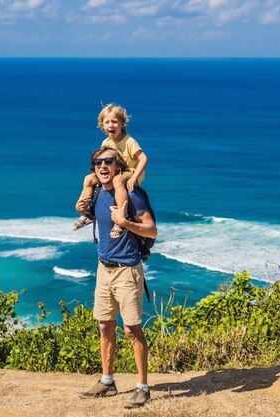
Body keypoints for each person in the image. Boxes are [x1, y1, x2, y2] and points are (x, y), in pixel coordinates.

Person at [79, 146, 157, 409]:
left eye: (108, 161)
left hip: (127, 270)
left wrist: (126, 224)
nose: (102, 166)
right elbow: (87, 211)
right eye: (97, 162)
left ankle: (143, 388)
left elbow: (152, 230)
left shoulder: (131, 195)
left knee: (132, 329)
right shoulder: (99, 192)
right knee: (105, 326)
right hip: (104, 268)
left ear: (117, 166)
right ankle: (107, 381)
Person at [74, 103, 149, 239]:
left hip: (131, 172)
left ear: (122, 124)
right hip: (116, 170)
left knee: (117, 180)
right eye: (106, 122)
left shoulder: (129, 142)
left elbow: (144, 159)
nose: (110, 125)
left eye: (114, 121)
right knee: (88, 179)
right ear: (102, 126)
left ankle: (121, 217)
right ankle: (87, 212)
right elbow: (102, 160)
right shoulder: (106, 143)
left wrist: (134, 178)